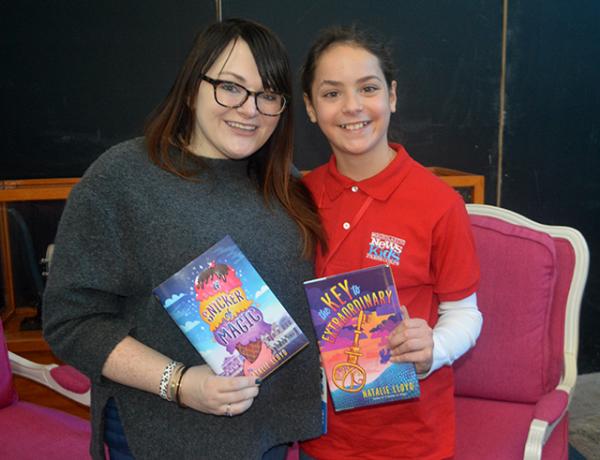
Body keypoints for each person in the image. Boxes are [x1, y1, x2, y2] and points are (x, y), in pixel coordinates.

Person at [42, 18, 326, 460]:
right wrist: (178, 383)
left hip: (267, 437)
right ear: (193, 88)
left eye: (268, 95)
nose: (250, 109)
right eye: (231, 87)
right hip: (161, 437)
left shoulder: (285, 185)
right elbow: (71, 322)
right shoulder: (122, 178)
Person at [298, 25, 483, 460]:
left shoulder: (438, 203)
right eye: (331, 93)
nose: (352, 107)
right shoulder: (296, 197)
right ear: (309, 107)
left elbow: (466, 314)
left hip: (411, 440)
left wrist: (433, 349)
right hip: (319, 439)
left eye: (368, 88)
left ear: (392, 96)